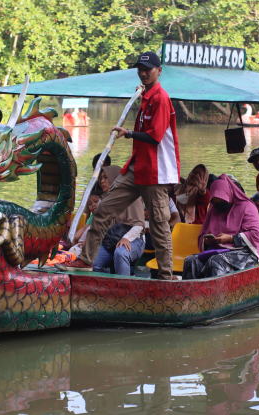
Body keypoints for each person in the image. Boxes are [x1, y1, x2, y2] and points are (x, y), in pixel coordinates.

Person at [60, 51, 181, 280]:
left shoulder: (160, 98)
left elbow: (155, 136)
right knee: (104, 209)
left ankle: (166, 277)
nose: (143, 73)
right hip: (137, 166)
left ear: (159, 71)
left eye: (148, 69)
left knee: (158, 224)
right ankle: (86, 260)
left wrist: (129, 133)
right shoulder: (144, 96)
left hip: (155, 172)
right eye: (140, 69)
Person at [182, 174, 259, 280]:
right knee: (190, 261)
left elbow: (256, 235)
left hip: (245, 252)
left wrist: (230, 238)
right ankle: (191, 293)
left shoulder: (247, 206)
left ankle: (216, 295)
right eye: (215, 202)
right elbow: (202, 235)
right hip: (217, 249)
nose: (218, 205)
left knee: (215, 261)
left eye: (221, 201)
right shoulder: (213, 208)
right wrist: (207, 241)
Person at [91, 166, 146, 276]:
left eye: (106, 178)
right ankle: (114, 284)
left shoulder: (132, 196)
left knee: (121, 253)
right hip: (111, 240)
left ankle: (124, 287)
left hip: (134, 239)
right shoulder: (104, 200)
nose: (102, 181)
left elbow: (139, 225)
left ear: (115, 178)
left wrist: (126, 238)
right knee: (93, 263)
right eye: (101, 178)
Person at [68, 189, 103, 256]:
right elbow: (84, 228)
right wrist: (73, 239)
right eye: (90, 204)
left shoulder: (104, 217)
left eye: (96, 201)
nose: (93, 205)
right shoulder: (93, 216)